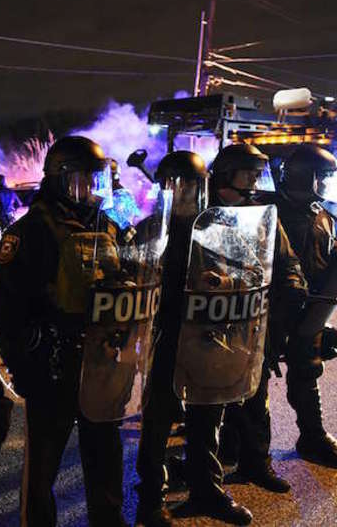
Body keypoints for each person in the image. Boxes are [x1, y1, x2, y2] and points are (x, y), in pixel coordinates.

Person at [0, 136, 128, 526]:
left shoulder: (108, 226)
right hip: (52, 366)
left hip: (101, 363)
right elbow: (9, 307)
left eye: (96, 180)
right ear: (60, 180)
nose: (90, 189)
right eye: (82, 180)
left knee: (105, 452)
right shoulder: (31, 231)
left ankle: (109, 520)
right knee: (43, 467)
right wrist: (23, 365)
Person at [135, 151, 252, 526]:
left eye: (193, 187)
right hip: (165, 337)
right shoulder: (150, 230)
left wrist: (223, 283)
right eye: (178, 186)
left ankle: (208, 489)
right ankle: (152, 499)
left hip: (208, 335)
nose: (186, 194)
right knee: (157, 423)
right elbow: (132, 284)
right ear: (165, 190)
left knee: (208, 415)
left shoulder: (220, 228)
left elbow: (251, 271)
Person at [212, 143, 307, 494]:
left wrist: (294, 285)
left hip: (253, 322)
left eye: (257, 171)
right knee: (208, 406)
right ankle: (205, 476)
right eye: (248, 171)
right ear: (228, 174)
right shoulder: (203, 213)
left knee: (256, 397)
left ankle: (258, 464)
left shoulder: (264, 214)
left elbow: (287, 259)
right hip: (211, 325)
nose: (255, 178)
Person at [275, 144, 337, 466]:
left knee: (307, 369)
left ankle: (312, 436)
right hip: (275, 308)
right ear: (305, 177)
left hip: (311, 305)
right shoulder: (272, 212)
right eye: (323, 176)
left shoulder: (322, 213)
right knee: (251, 381)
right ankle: (235, 444)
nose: (328, 183)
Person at [0, 174, 23, 240]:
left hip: (1, 219)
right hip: (10, 218)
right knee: (11, 235)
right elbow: (19, 204)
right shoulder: (11, 192)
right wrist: (13, 210)